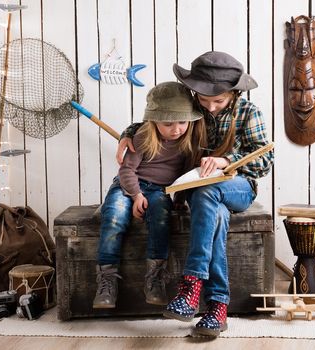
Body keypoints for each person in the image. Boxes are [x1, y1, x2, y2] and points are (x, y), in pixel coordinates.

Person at [117, 51, 274, 337]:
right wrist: (127, 133)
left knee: (209, 193)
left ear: (234, 93)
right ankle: (217, 307)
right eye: (205, 101)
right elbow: (155, 119)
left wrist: (227, 160)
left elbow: (264, 161)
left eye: (219, 101)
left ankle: (191, 287)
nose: (211, 107)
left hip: (238, 187)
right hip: (199, 191)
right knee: (212, 210)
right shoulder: (190, 107)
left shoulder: (249, 113)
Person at [94, 81, 206, 309]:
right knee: (114, 216)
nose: (176, 129)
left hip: (159, 191)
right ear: (153, 121)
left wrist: (180, 200)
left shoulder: (187, 142)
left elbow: (184, 177)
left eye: (182, 122)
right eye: (168, 124)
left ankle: (155, 278)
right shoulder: (143, 137)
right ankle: (107, 279)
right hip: (129, 186)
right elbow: (126, 171)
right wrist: (135, 195)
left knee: (161, 218)